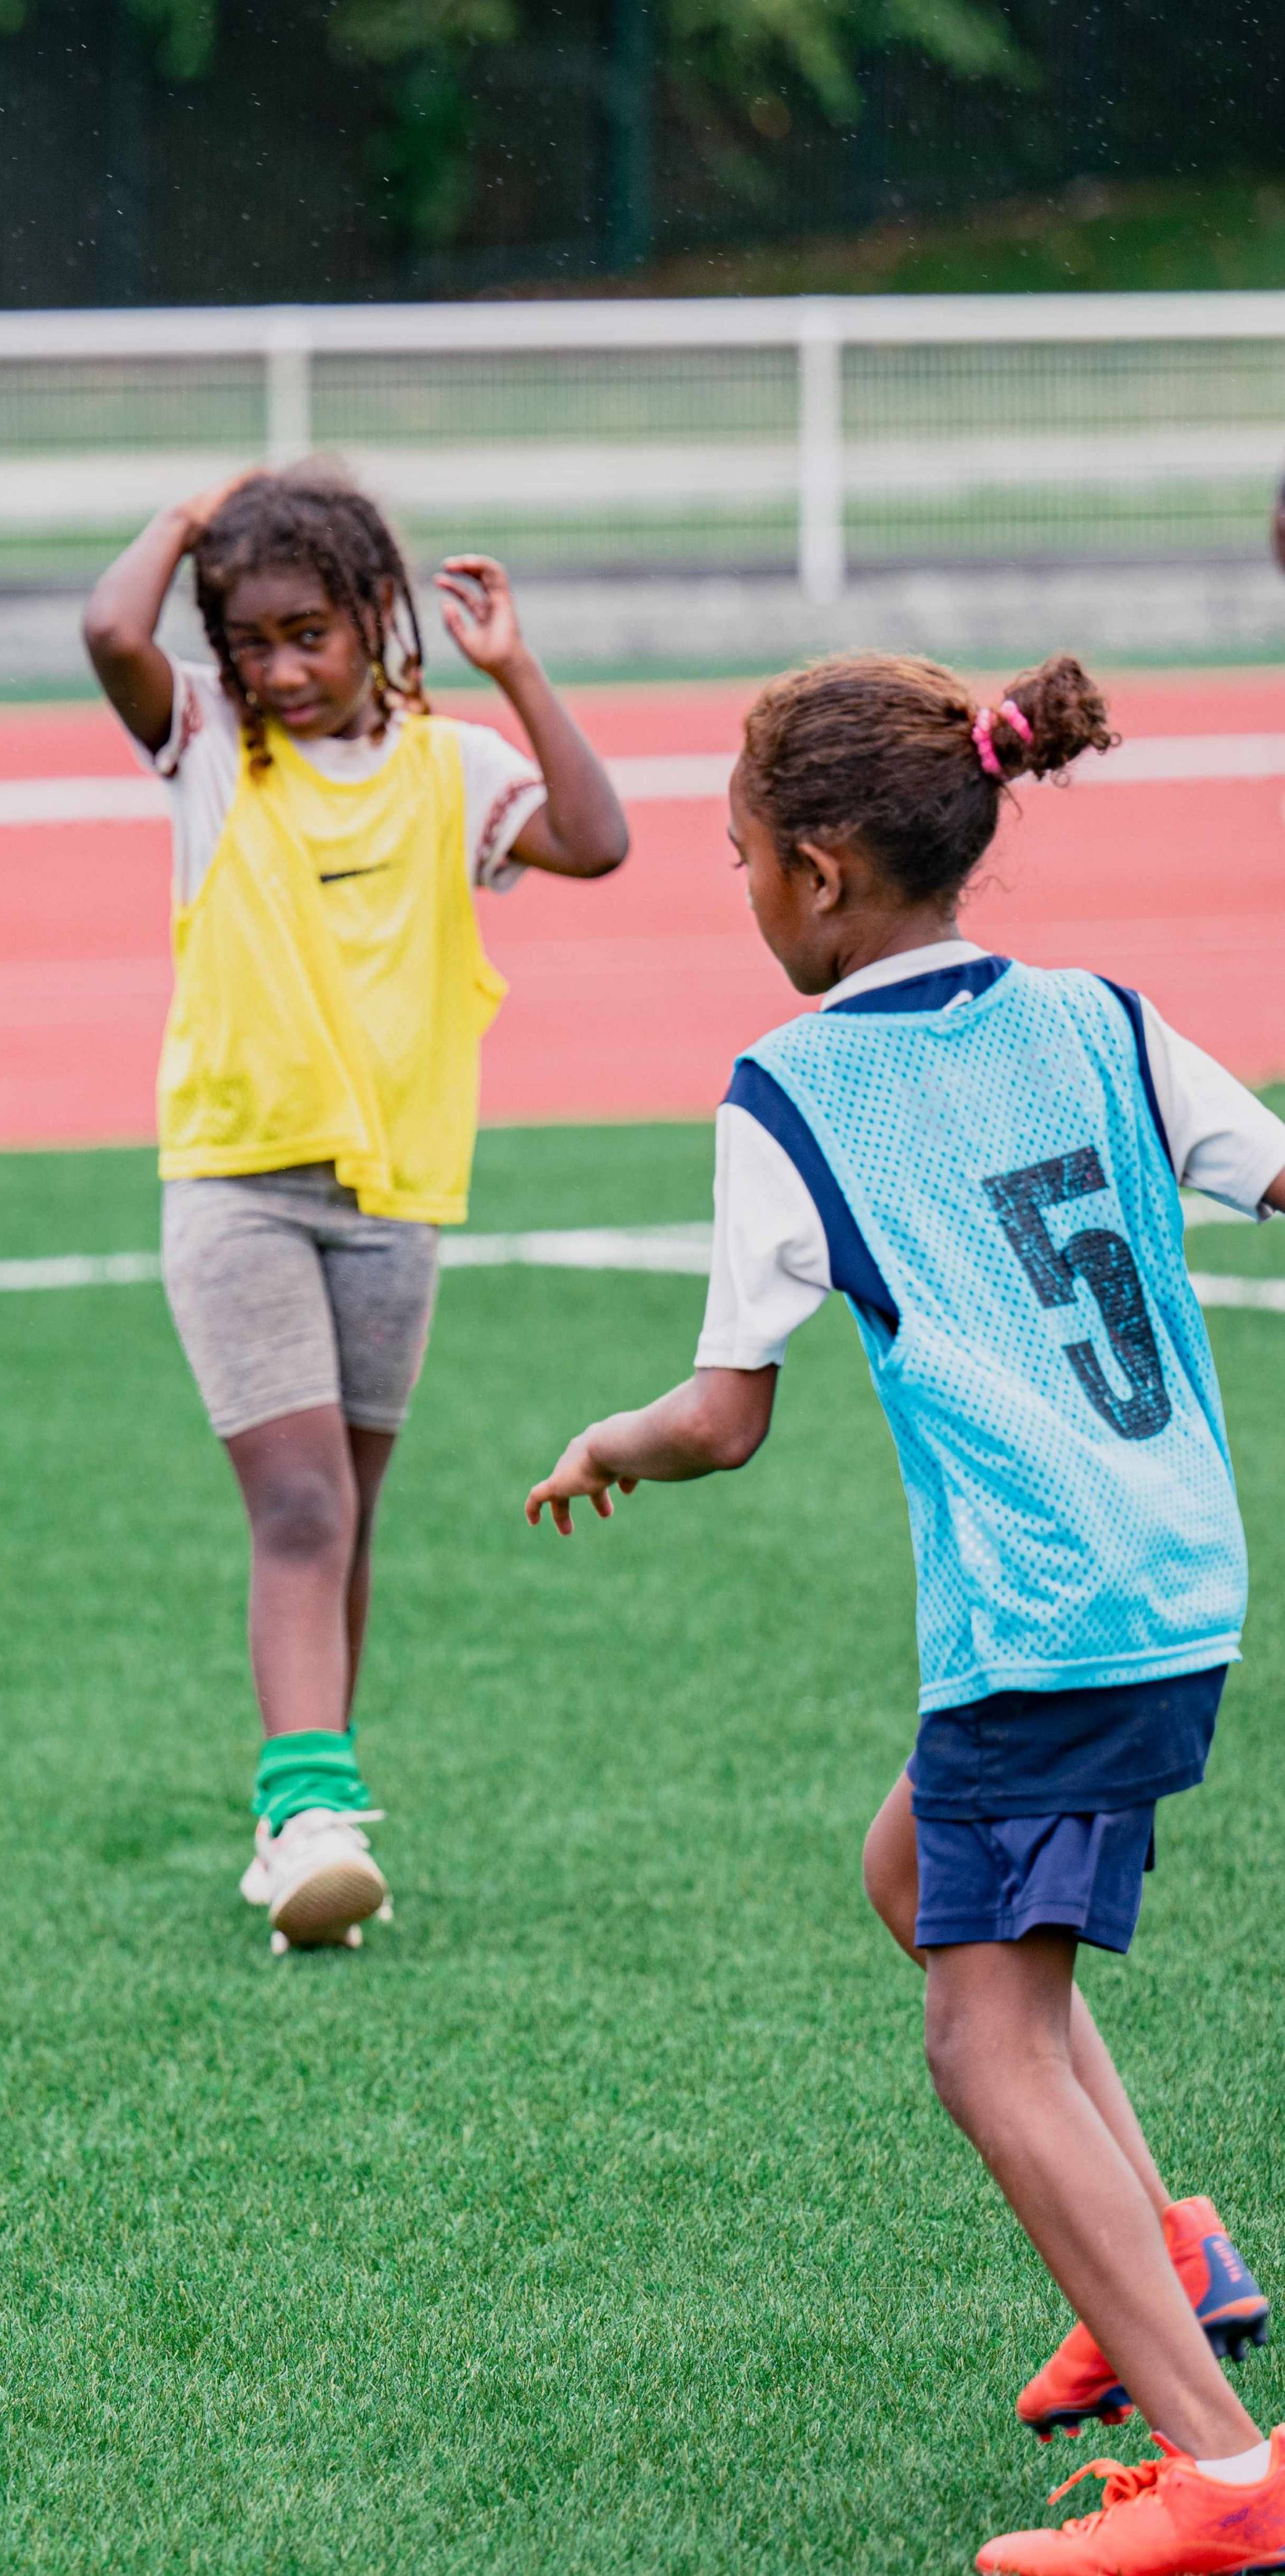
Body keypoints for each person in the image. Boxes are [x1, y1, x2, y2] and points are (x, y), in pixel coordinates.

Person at [525, 652, 1283, 2574]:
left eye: (732, 863)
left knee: (975, 2039)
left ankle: (1218, 2473)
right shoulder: (1099, 1015)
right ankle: (1169, 2255)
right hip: (1174, 1572)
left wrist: (613, 1434)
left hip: (1045, 1615)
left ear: (815, 872)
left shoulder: (787, 1089)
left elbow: (723, 1415)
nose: (738, 894)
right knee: (908, 1873)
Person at [82, 464, 631, 1952]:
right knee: (302, 1505)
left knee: (346, 1515)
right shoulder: (207, 746)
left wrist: (513, 667)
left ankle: (303, 1806)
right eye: (248, 639)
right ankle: (311, 1812)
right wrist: (187, 518)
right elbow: (107, 633)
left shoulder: (448, 769)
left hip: (396, 1193)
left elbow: (596, 838)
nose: (279, 669)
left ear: (373, 614)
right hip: (237, 1180)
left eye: (309, 632)